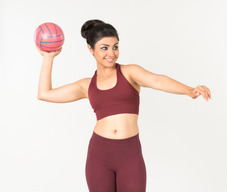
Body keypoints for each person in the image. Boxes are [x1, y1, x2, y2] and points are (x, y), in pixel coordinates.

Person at [36, 19, 211, 192]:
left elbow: (157, 80)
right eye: (104, 48)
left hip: (129, 154)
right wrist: (48, 58)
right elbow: (45, 94)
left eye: (115, 46)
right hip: (99, 154)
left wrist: (189, 90)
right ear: (90, 49)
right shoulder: (86, 85)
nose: (111, 53)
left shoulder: (130, 73)